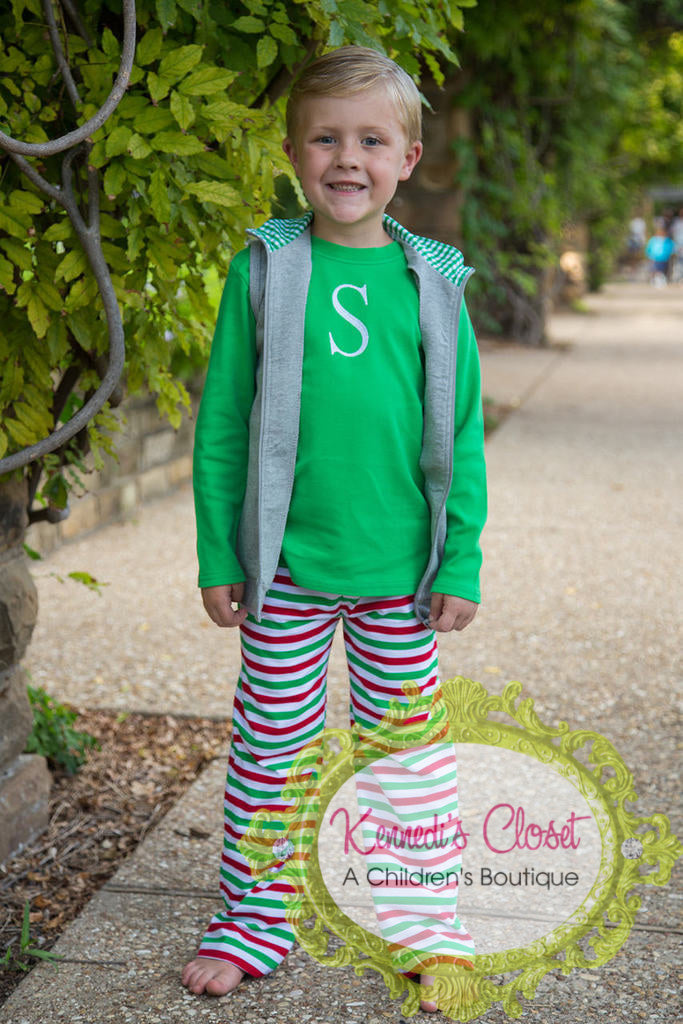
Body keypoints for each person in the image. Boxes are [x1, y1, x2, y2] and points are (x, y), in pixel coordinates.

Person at [182, 45, 487, 1012]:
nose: (346, 158)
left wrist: (463, 556)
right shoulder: (266, 269)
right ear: (290, 152)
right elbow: (223, 422)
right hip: (287, 570)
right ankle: (251, 919)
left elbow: (465, 431)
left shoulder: (434, 281)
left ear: (408, 158)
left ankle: (424, 926)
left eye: (370, 140)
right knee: (271, 750)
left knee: (407, 762)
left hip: (401, 570)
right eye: (325, 137)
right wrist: (219, 551)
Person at [645, 222, 675, 288]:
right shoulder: (653, 240)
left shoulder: (667, 240)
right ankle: (656, 281)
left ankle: (661, 281)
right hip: (655, 257)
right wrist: (649, 254)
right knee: (656, 270)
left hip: (664, 257)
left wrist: (671, 253)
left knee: (663, 270)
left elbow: (672, 247)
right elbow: (649, 248)